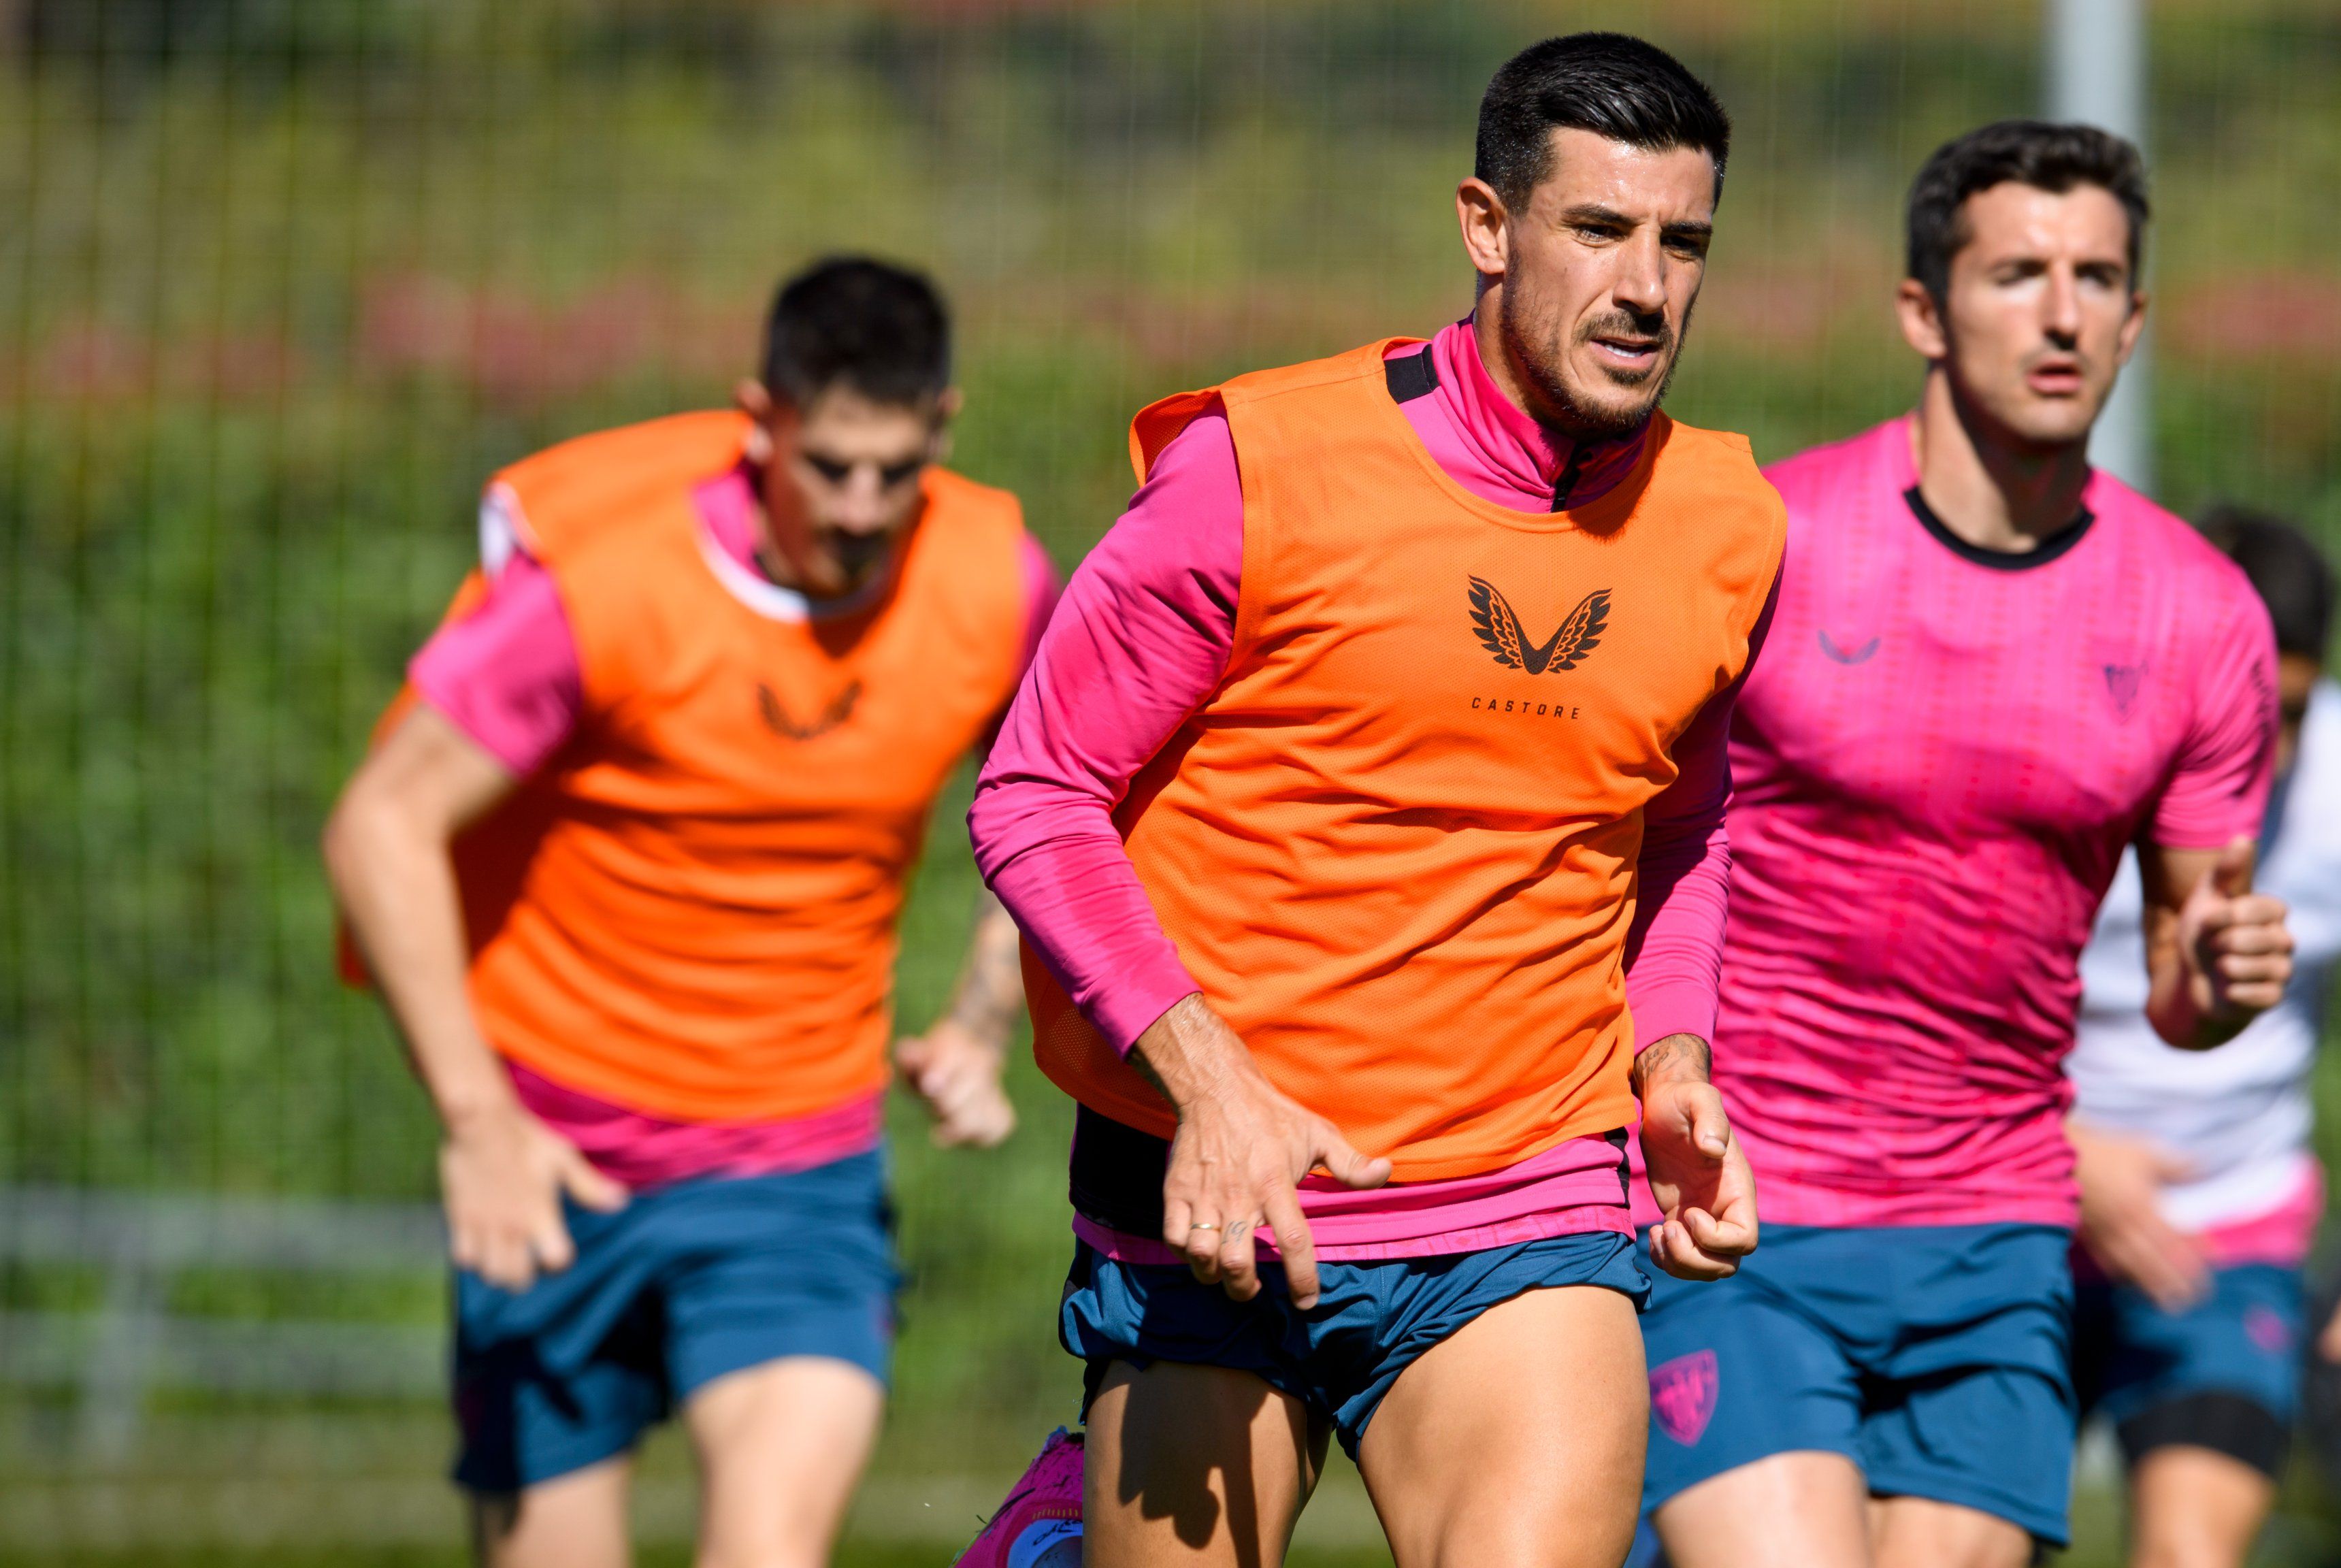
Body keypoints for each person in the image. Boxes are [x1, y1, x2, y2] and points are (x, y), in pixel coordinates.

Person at [956, 33, 1778, 1568]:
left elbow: (1682, 825)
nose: (1647, 287)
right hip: (1211, 1187)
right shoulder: (1254, 473)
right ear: (1487, 225)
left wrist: (1670, 1059)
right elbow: (1034, 796)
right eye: (1598, 230)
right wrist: (1211, 1084)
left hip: (1526, 1183)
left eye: (1682, 242)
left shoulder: (1727, 522)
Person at [323, 256, 1058, 1568]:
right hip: (554, 1159)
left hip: (797, 1171)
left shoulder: (992, 581)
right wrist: (477, 1121)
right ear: (759, 418)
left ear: (944, 427)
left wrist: (980, 1021)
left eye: (896, 469)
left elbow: (1054, 800)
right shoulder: (605, 586)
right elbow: (380, 824)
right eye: (829, 463)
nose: (862, 506)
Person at [1633, 122, 2297, 1568]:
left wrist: (2229, 979)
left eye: (2094, 278)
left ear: (2134, 318)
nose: (2059, 313)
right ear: (1921, 312)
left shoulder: (2198, 617)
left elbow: (2189, 999)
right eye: (2014, 273)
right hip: (1743, 1213)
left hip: (1995, 1243)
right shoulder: (1769, 541)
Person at [2066, 509, 2341, 1568]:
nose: (2267, 748)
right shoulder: (2061, 751)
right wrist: (2065, 1155)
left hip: (2232, 1237)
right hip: (2013, 1207)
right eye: (2238, 705)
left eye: (2293, 709)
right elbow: (1915, 988)